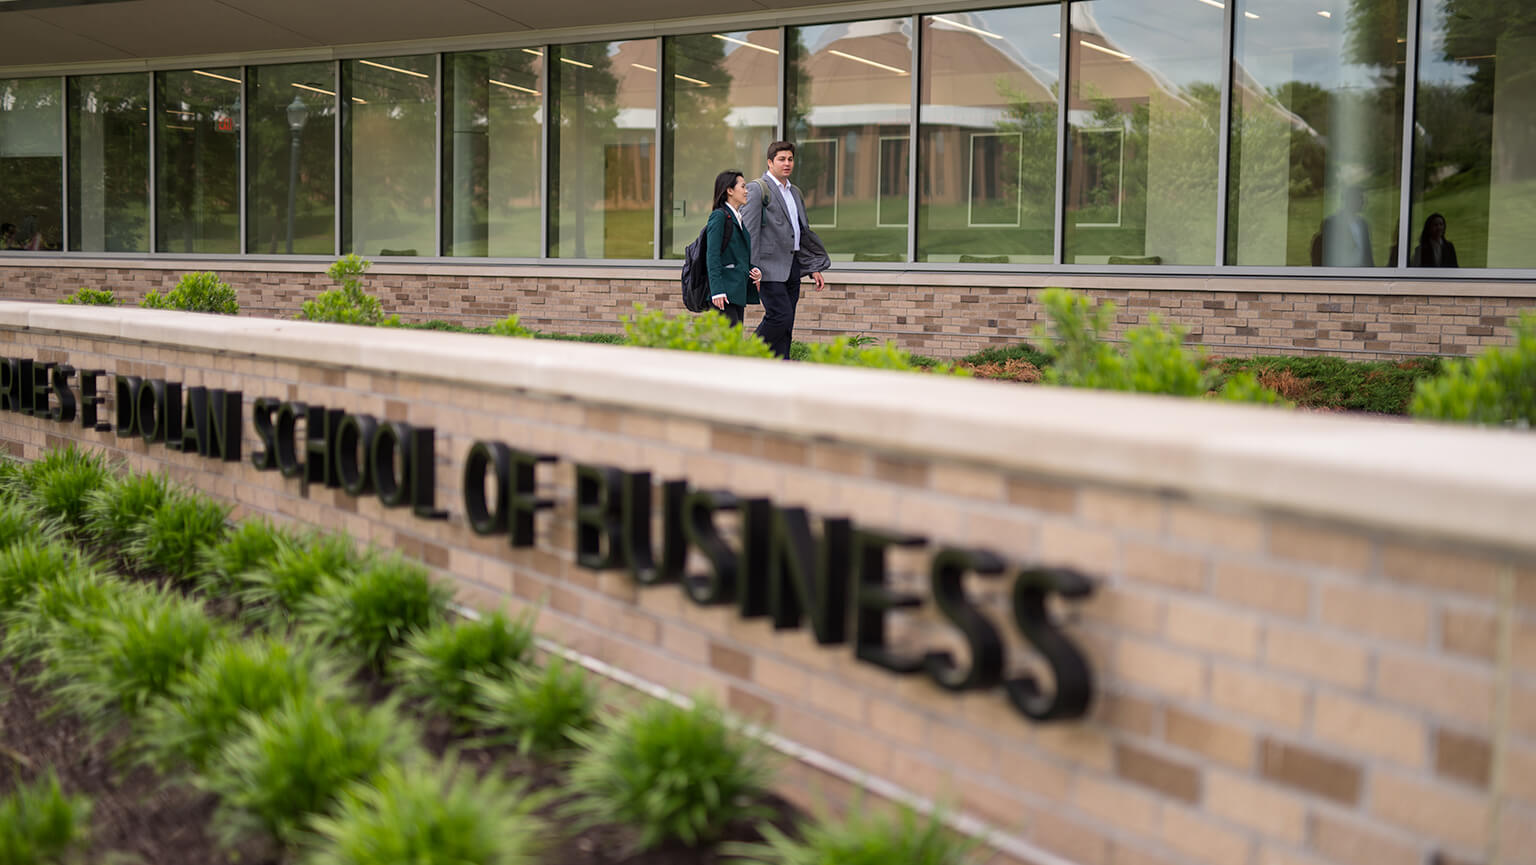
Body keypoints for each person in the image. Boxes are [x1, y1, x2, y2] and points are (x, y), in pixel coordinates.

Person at [741, 141, 831, 359]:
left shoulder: (795, 192)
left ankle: (781, 366)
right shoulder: (757, 189)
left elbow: (800, 233)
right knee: (779, 316)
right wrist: (752, 269)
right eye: (781, 159)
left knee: (787, 321)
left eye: (790, 159)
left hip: (793, 267)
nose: (787, 163)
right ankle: (744, 356)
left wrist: (812, 267)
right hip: (767, 269)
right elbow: (749, 232)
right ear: (770, 162)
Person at [705, 170, 762, 326]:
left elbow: (738, 255)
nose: (746, 191)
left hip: (736, 291)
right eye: (743, 187)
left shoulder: (738, 218)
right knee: (727, 345)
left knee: (733, 342)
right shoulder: (719, 216)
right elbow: (712, 255)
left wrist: (754, 270)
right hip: (723, 293)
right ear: (729, 190)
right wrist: (717, 290)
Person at [1313, 187, 1374, 267]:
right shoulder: (1331, 223)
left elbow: (1368, 256)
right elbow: (1322, 255)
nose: (1363, 201)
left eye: (1363, 198)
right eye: (1360, 198)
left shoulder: (1364, 224)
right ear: (1349, 200)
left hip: (1361, 276)